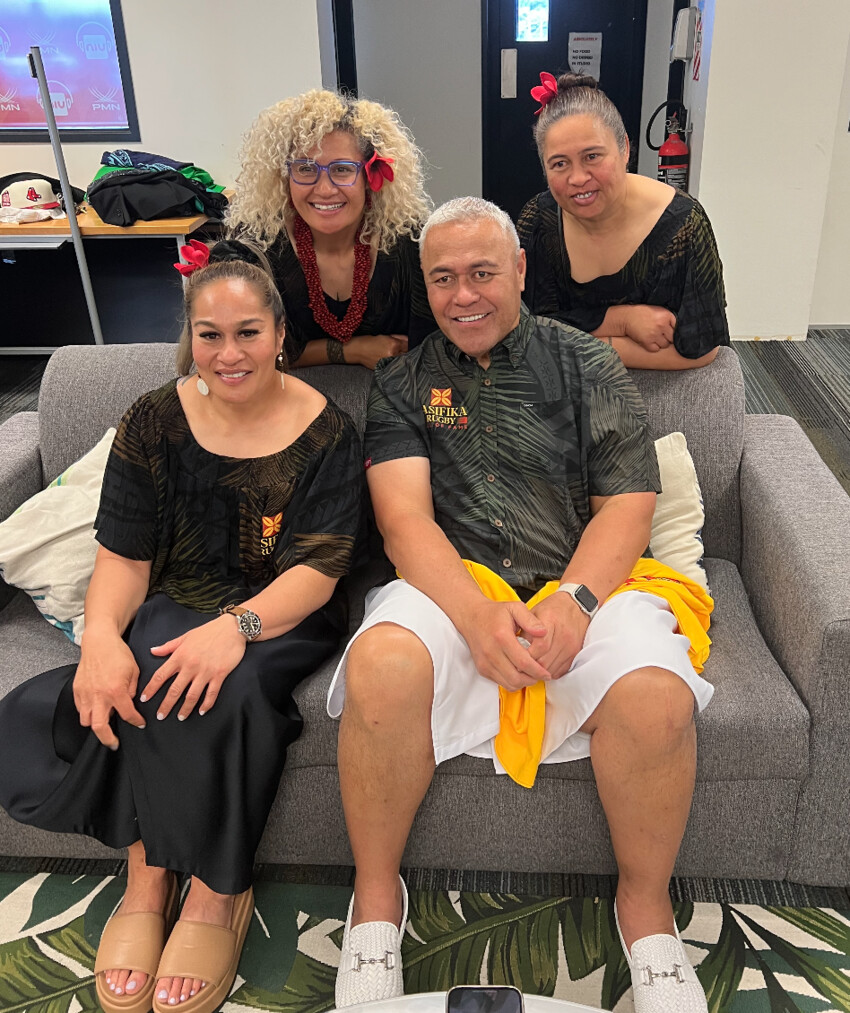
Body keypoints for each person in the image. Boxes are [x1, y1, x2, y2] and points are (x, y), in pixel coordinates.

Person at [327, 198, 714, 1013]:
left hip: (585, 579)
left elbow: (628, 502)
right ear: (425, 287)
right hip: (456, 586)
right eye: (443, 279)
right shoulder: (402, 381)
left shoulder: (588, 365)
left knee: (657, 694)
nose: (464, 295)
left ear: (521, 273)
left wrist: (575, 603)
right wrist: (471, 614)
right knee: (382, 664)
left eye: (482, 273)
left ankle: (645, 912)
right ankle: (373, 905)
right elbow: (403, 520)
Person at [0, 241, 364, 1013]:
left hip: (282, 609)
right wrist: (100, 636)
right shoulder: (153, 419)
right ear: (189, 337)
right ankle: (147, 877)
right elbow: (125, 556)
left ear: (278, 334)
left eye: (247, 332)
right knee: (144, 665)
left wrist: (237, 626)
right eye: (210, 333)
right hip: (178, 591)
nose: (228, 353)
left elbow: (320, 570)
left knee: (229, 692)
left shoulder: (327, 430)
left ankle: (214, 890)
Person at [517, 72, 730, 370]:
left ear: (625, 149)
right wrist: (622, 322)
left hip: (660, 390)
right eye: (560, 163)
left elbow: (703, 349)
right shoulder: (538, 221)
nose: (577, 178)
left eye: (592, 156)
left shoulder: (685, 227)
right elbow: (524, 328)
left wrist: (577, 346)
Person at [226, 89, 434, 370]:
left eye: (342, 170)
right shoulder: (256, 247)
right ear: (284, 177)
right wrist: (352, 351)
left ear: (370, 175)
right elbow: (242, 352)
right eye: (305, 168)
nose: (324, 189)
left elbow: (435, 346)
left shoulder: (412, 243)